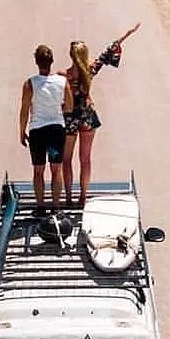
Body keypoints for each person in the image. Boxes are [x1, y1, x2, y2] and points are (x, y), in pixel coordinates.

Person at [63, 23, 141, 207]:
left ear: (71, 56)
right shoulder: (89, 70)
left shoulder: (63, 75)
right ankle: (83, 195)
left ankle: (67, 197)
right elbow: (107, 53)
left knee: (67, 160)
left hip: (71, 118)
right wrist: (126, 35)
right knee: (86, 159)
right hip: (88, 117)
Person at [19, 43, 73, 215]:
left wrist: (21, 131)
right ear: (52, 61)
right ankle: (56, 206)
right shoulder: (62, 82)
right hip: (57, 128)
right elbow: (69, 106)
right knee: (56, 169)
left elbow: (24, 110)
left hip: (37, 130)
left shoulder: (30, 84)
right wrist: (58, 109)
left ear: (36, 61)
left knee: (38, 170)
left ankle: (41, 205)